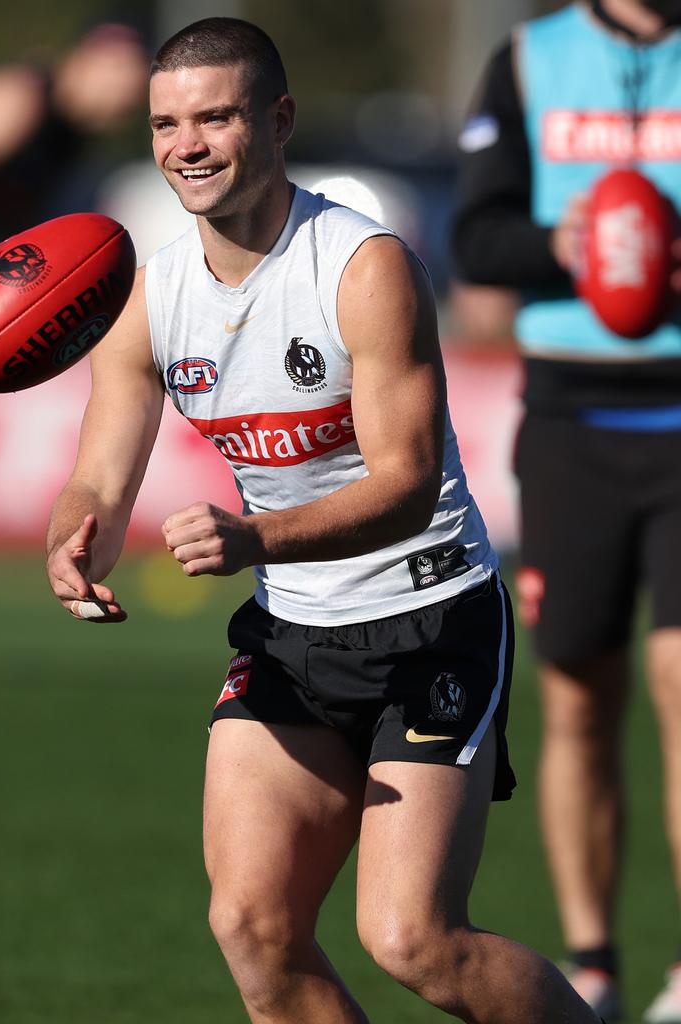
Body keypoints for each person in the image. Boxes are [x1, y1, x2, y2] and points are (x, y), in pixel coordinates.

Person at [45, 17, 603, 1024]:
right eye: (167, 122)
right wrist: (74, 537)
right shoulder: (150, 294)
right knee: (252, 927)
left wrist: (253, 538)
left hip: (430, 619)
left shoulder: (361, 264)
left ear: (279, 119)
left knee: (414, 940)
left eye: (215, 116)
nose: (188, 144)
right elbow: (100, 472)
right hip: (294, 634)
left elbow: (404, 480)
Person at [452, 2, 681, 1021]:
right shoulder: (529, 60)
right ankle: (594, 958)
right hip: (570, 420)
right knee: (579, 700)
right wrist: (572, 239)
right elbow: (477, 235)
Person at [0, 20, 148, 398]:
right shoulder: (16, 102)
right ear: (96, 54)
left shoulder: (72, 142)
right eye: (124, 75)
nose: (127, 98)